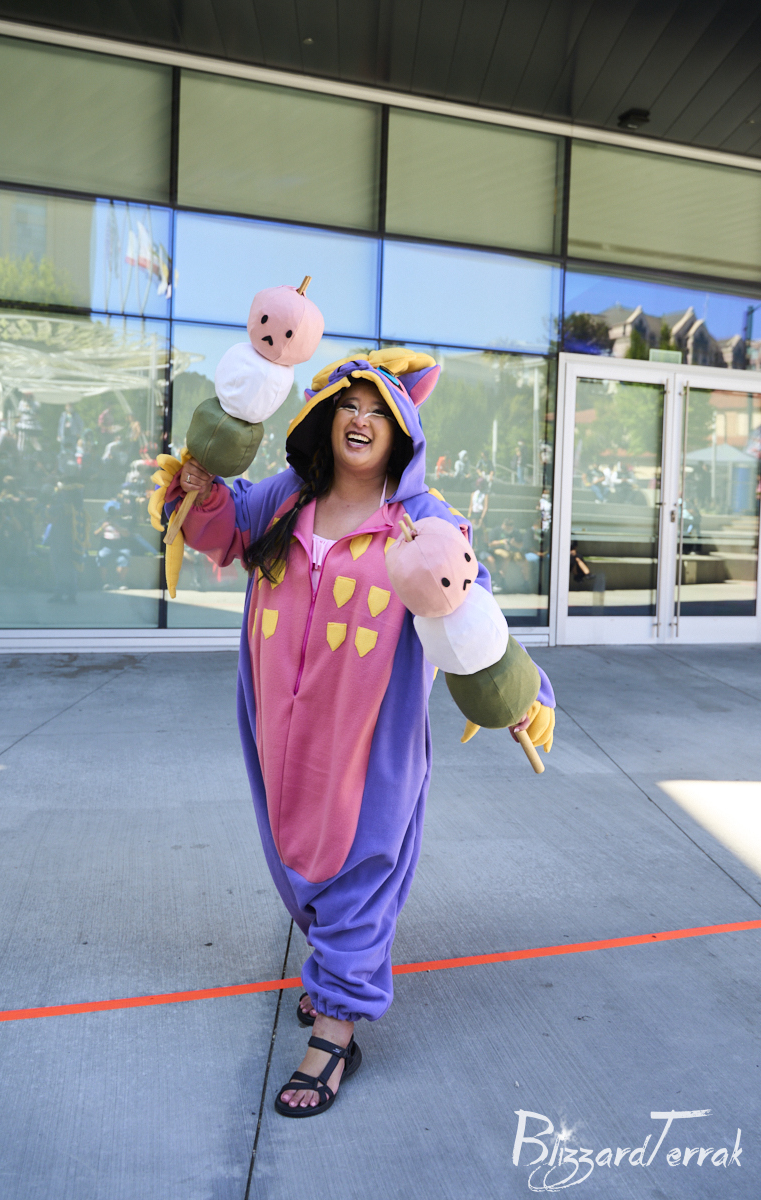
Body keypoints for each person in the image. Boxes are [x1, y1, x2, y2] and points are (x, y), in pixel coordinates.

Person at [164, 350, 555, 1117]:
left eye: (378, 411)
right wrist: (199, 487)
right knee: (299, 867)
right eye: (350, 406)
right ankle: (333, 973)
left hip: (369, 737)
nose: (362, 421)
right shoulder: (286, 498)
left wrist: (518, 694)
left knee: (359, 872)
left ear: (401, 431)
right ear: (326, 417)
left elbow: (472, 614)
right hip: (280, 728)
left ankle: (336, 1033)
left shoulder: (423, 521)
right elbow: (220, 530)